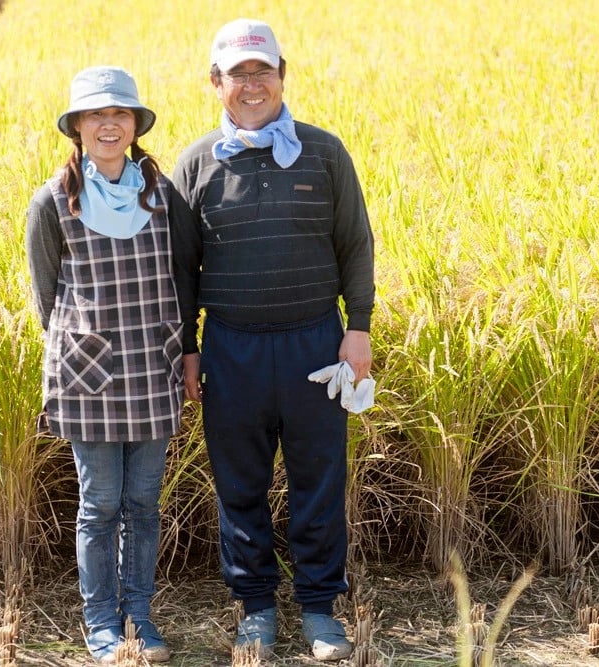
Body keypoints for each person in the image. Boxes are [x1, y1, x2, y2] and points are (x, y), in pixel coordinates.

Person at [171, 18, 375, 662]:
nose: (252, 85)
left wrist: (359, 329)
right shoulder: (197, 163)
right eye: (238, 74)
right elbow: (181, 268)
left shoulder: (324, 153)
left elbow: (355, 245)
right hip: (230, 348)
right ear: (216, 83)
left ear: (282, 76)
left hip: (316, 345)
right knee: (240, 483)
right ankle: (257, 605)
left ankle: (318, 609)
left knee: (319, 478)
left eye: (263, 71)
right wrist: (190, 348)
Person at [26, 65, 188, 665]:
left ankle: (139, 617)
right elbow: (48, 297)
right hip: (88, 376)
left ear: (135, 125)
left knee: (144, 502)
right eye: (96, 115)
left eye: (120, 114)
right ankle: (99, 622)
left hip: (153, 364)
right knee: (99, 505)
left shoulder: (160, 193)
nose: (109, 124)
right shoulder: (52, 201)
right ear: (77, 128)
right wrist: (86, 343)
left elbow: (180, 272)